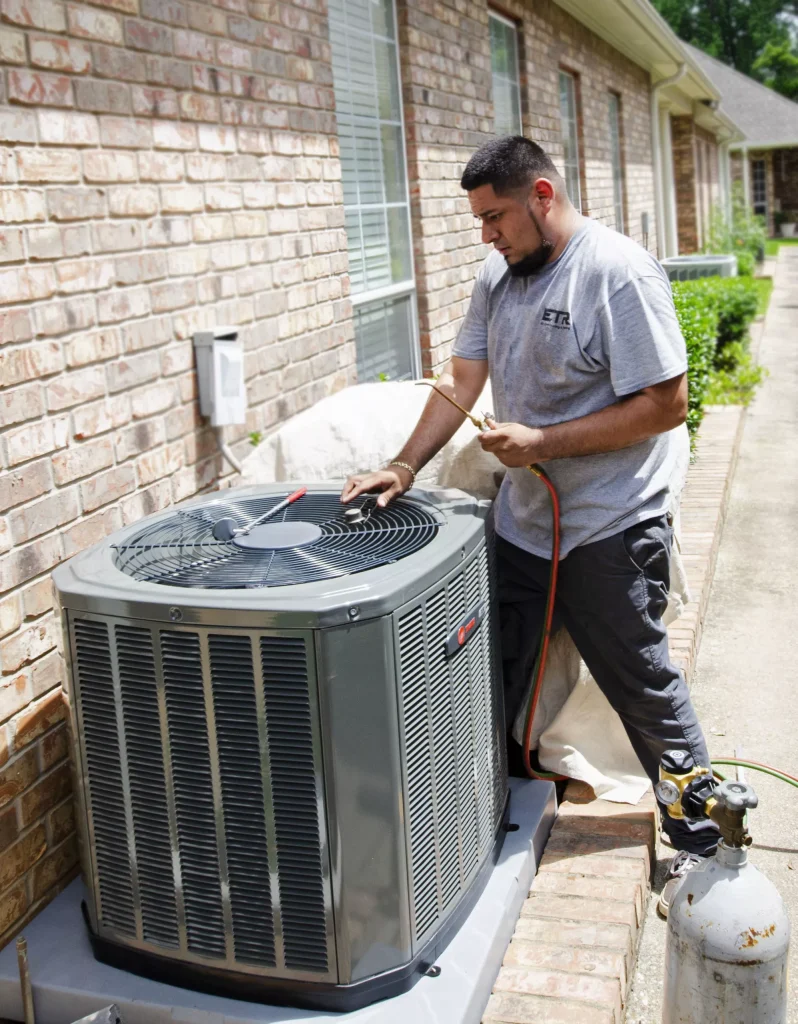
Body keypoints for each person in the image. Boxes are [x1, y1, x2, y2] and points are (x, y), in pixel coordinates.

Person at [340, 135, 717, 914]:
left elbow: (666, 404)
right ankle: (489, 812)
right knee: (488, 671)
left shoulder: (616, 274)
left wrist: (541, 443)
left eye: (496, 217)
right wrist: (405, 465)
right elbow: (462, 377)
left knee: (642, 683)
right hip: (522, 525)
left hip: (608, 526)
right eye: (480, 221)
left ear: (543, 196)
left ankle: (700, 846)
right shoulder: (498, 273)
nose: (486, 235)